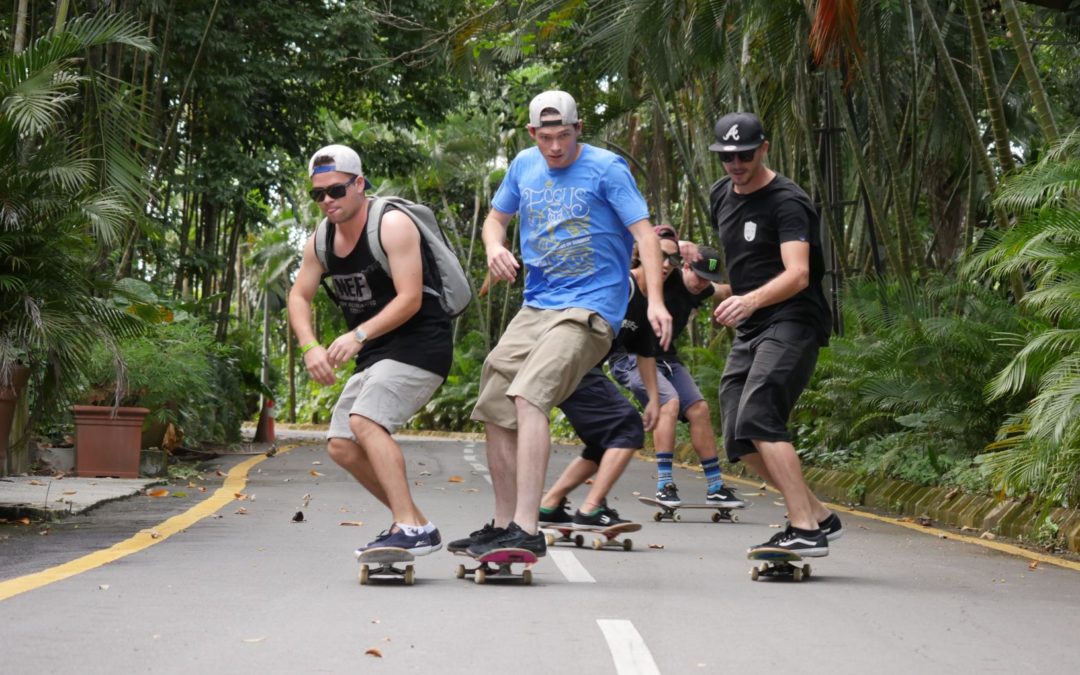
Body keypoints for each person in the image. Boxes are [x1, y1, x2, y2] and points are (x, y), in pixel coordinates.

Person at [451, 90, 672, 558]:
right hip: (538, 307)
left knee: (530, 394)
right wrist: (494, 247)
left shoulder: (608, 169)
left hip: (591, 309)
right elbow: (495, 220)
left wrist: (655, 301)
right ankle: (503, 522)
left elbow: (644, 235)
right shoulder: (522, 166)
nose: (555, 147)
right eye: (546, 137)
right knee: (495, 391)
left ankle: (528, 528)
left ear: (578, 129)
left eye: (564, 136)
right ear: (533, 134)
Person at [287, 144, 452, 558]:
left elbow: (411, 298)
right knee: (342, 443)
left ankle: (408, 526)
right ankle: (417, 524)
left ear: (359, 184)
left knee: (365, 419)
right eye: (318, 194)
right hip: (376, 353)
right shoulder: (320, 241)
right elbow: (298, 297)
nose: (327, 201)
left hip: (421, 343)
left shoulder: (392, 225)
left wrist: (356, 335)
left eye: (336, 190)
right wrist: (310, 346)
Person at [706, 112, 842, 557]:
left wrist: (748, 301)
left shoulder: (787, 201)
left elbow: (797, 275)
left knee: (761, 413)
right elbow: (748, 269)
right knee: (738, 436)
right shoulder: (720, 195)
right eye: (727, 156)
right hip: (751, 324)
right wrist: (720, 292)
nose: (736, 163)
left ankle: (803, 529)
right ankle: (819, 515)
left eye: (744, 154)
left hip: (793, 319)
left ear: (763, 147)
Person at [609, 228, 746, 510]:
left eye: (707, 279)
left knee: (699, 409)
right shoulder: (659, 273)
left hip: (667, 359)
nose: (701, 284)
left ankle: (716, 486)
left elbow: (724, 290)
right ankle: (665, 485)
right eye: (698, 275)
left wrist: (757, 293)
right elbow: (650, 242)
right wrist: (680, 245)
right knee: (668, 403)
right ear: (683, 264)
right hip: (632, 356)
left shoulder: (702, 286)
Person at [536, 261, 662, 530]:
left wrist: (652, 398)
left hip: (583, 368)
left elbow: (646, 353)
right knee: (627, 427)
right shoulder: (616, 281)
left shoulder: (648, 303)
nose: (665, 265)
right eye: (660, 255)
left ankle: (550, 505)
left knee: (603, 442)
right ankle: (591, 510)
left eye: (673, 261)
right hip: (570, 361)